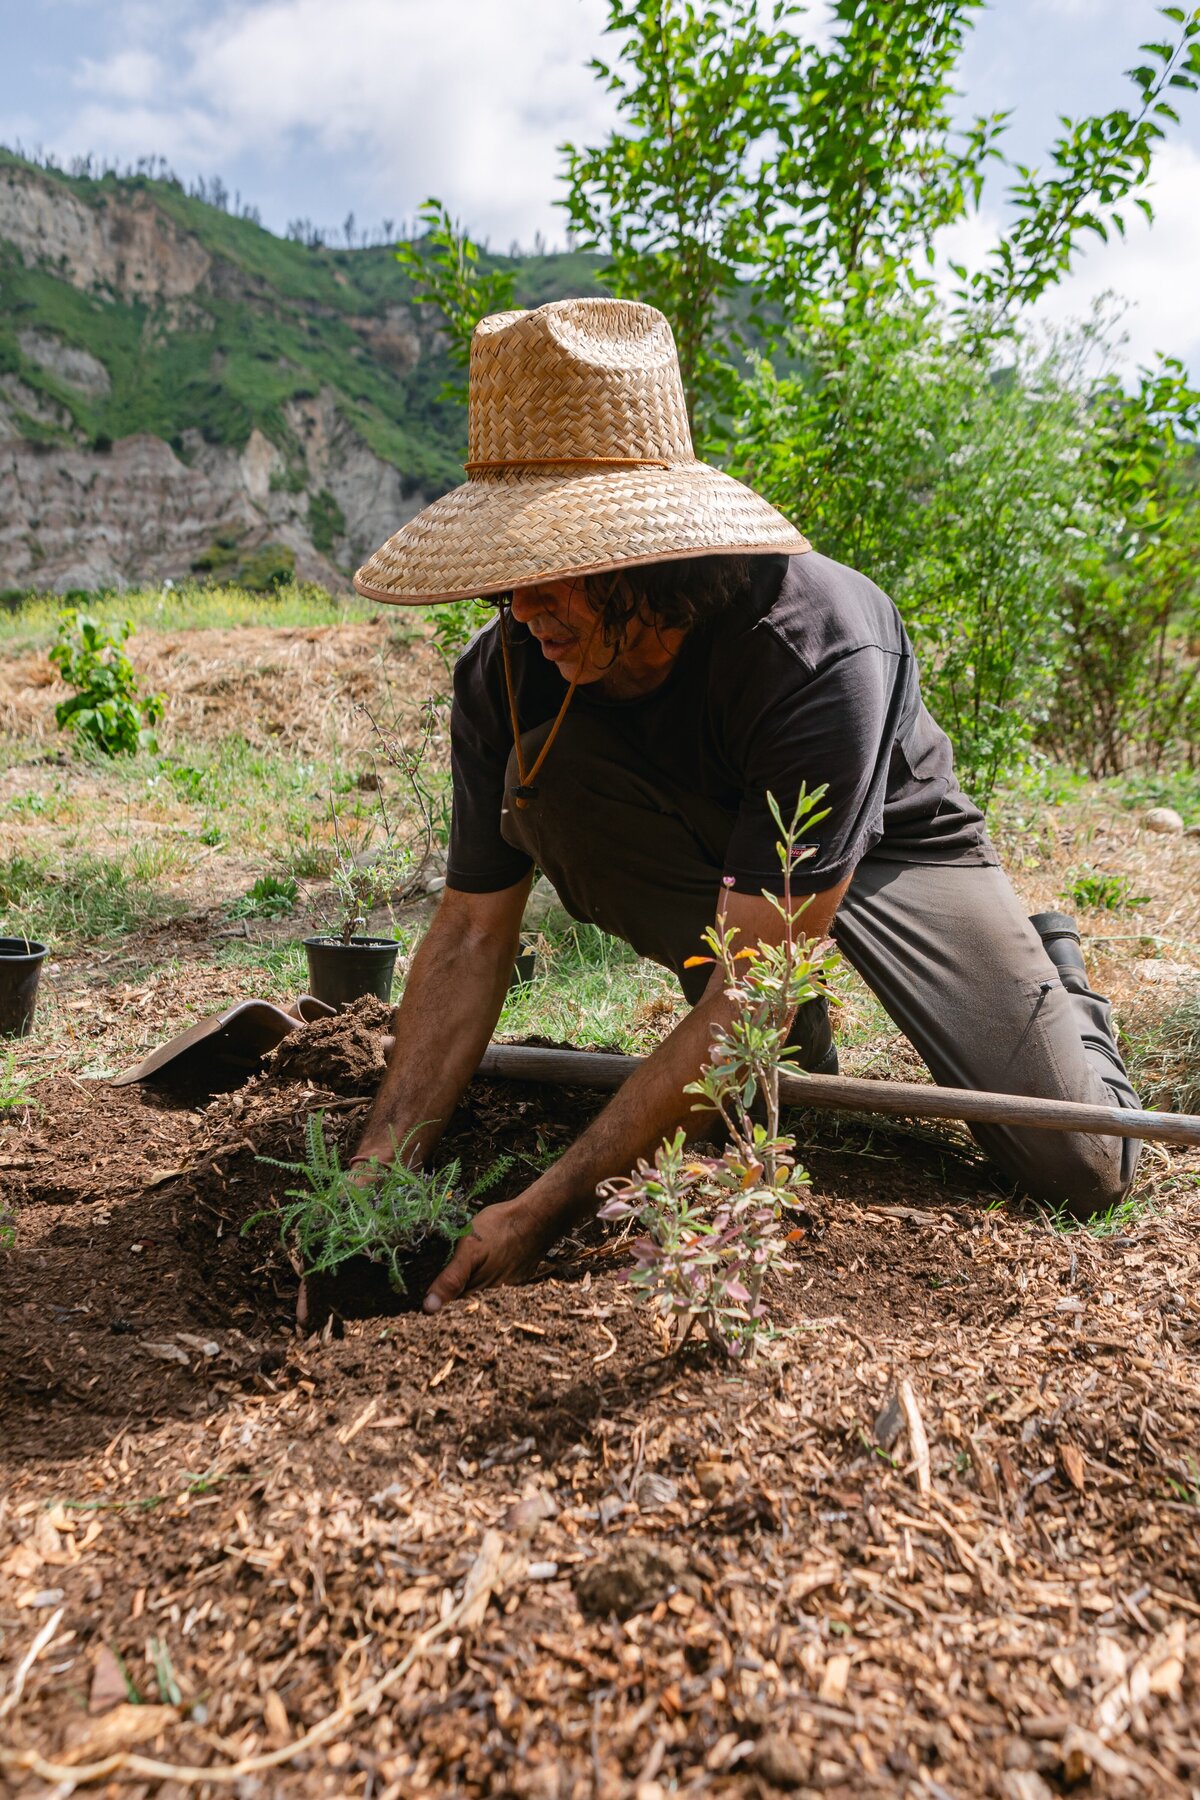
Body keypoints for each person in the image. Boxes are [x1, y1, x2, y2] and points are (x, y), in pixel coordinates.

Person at [351, 298, 1139, 1313]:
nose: (522, 610)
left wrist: (548, 1205)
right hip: (720, 863)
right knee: (546, 791)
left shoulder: (815, 650)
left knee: (1082, 1168)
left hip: (895, 848)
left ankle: (1059, 980)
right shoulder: (506, 678)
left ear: (647, 555)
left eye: (551, 575)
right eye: (505, 582)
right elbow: (467, 933)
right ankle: (784, 1055)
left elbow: (751, 985)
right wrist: (379, 1157)